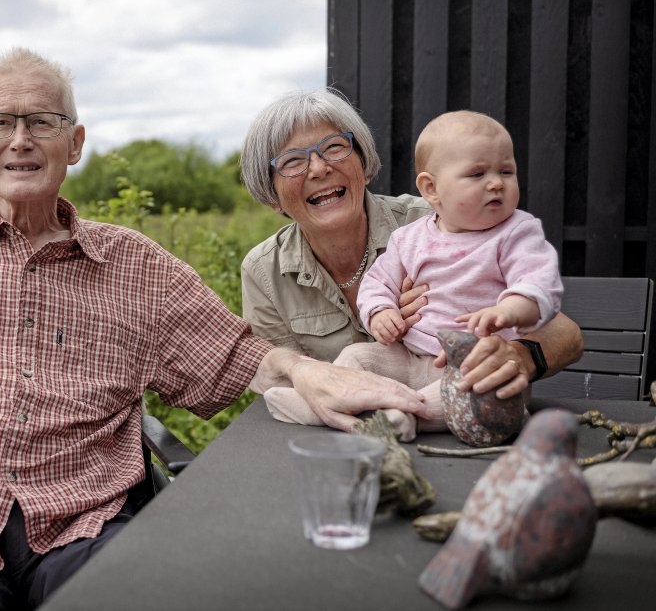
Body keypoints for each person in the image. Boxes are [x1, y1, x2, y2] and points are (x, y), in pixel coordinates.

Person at [0, 49, 432, 610]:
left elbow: (245, 355)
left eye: (42, 122)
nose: (21, 139)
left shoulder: (132, 263)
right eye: (1, 123)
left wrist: (307, 372)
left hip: (89, 525)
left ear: (74, 144)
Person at [240, 87, 583, 434]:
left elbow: (565, 335)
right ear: (272, 196)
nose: (318, 168)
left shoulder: (443, 221)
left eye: (334, 147)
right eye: (292, 161)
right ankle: (380, 414)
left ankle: (399, 414)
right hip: (345, 442)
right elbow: (278, 371)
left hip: (457, 396)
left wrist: (521, 356)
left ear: (363, 163)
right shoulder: (264, 271)